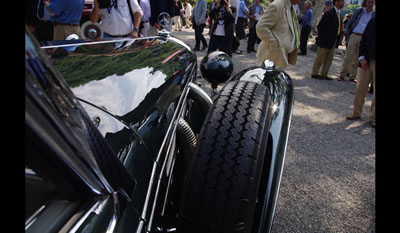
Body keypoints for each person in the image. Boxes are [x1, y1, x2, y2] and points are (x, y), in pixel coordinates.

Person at [346, 17, 375, 128]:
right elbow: (364, 39)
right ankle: (356, 113)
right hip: (366, 60)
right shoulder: (373, 21)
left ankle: (373, 118)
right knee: (360, 88)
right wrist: (362, 58)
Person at [256, 0, 301, 70]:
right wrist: (275, 45)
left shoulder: (290, 7)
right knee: (268, 80)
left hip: (280, 56)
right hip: (271, 57)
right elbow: (261, 27)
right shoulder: (277, 5)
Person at [338, 0, 375, 81]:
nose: (370, 4)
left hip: (364, 38)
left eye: (372, 2)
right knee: (348, 56)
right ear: (366, 2)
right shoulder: (359, 11)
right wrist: (347, 32)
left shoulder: (373, 14)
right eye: (369, 2)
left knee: (358, 58)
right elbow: (351, 22)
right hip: (355, 35)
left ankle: (353, 76)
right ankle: (342, 74)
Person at [310, 0, 344, 80]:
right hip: (325, 40)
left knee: (329, 58)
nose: (343, 3)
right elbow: (321, 26)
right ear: (337, 2)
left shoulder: (339, 14)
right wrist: (324, 37)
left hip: (333, 40)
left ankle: (324, 74)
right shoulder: (329, 13)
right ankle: (315, 73)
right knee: (320, 57)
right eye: (342, 1)